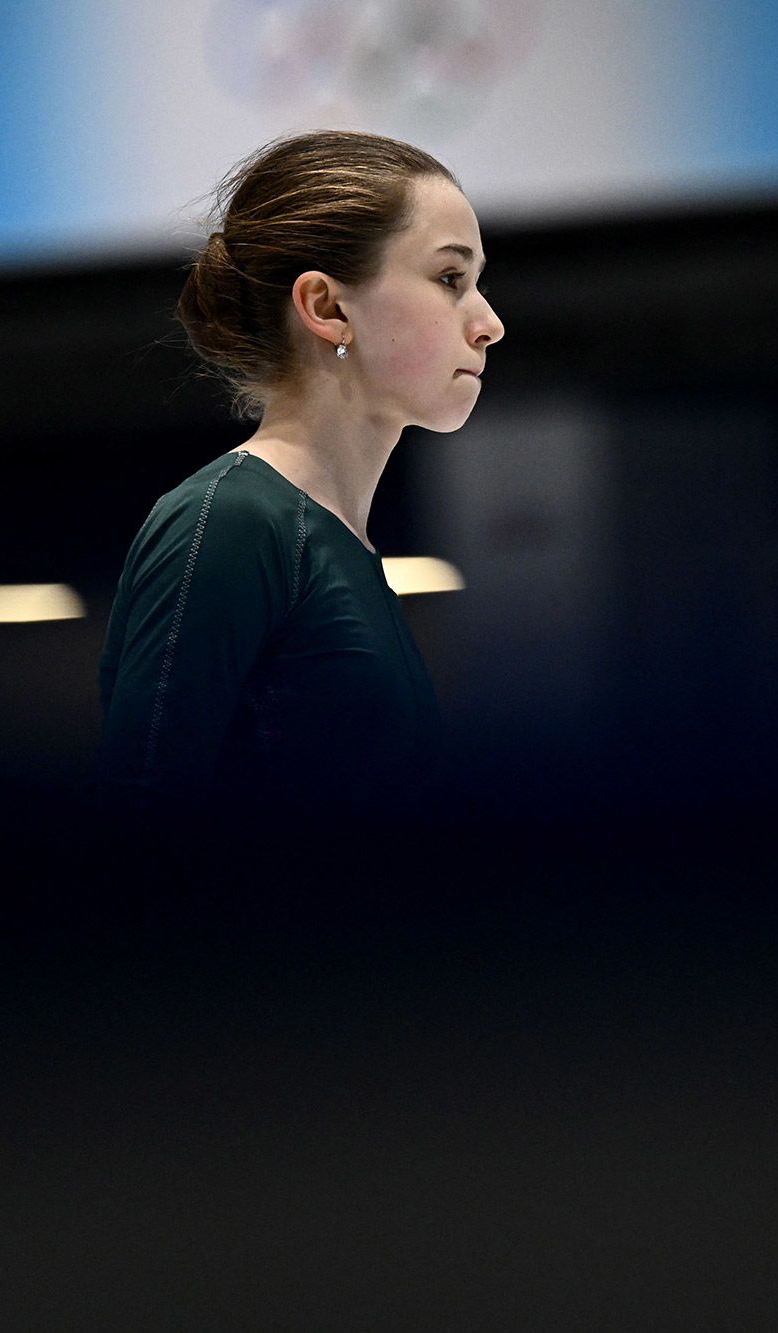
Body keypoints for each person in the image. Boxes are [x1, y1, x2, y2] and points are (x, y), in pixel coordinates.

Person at [95, 129, 504, 830]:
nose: (489, 323)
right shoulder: (232, 521)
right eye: (449, 280)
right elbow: (136, 832)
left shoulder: (335, 542)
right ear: (327, 307)